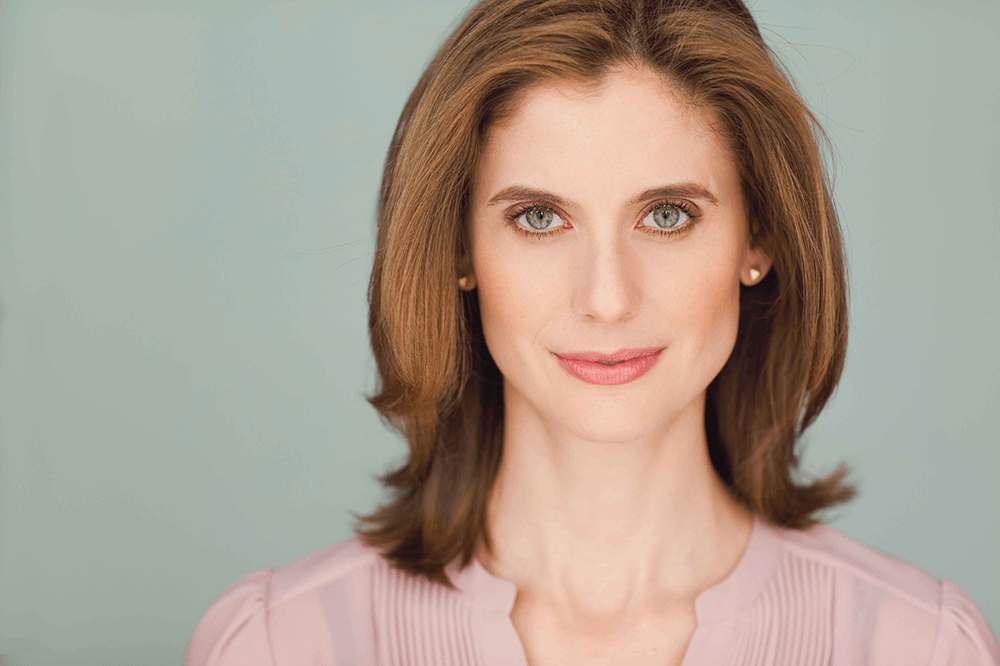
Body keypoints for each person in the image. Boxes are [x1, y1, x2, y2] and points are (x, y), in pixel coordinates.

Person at [183, 0, 999, 664]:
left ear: (760, 240)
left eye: (668, 215)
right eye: (539, 218)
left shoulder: (917, 646)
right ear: (461, 248)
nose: (606, 299)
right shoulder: (279, 645)